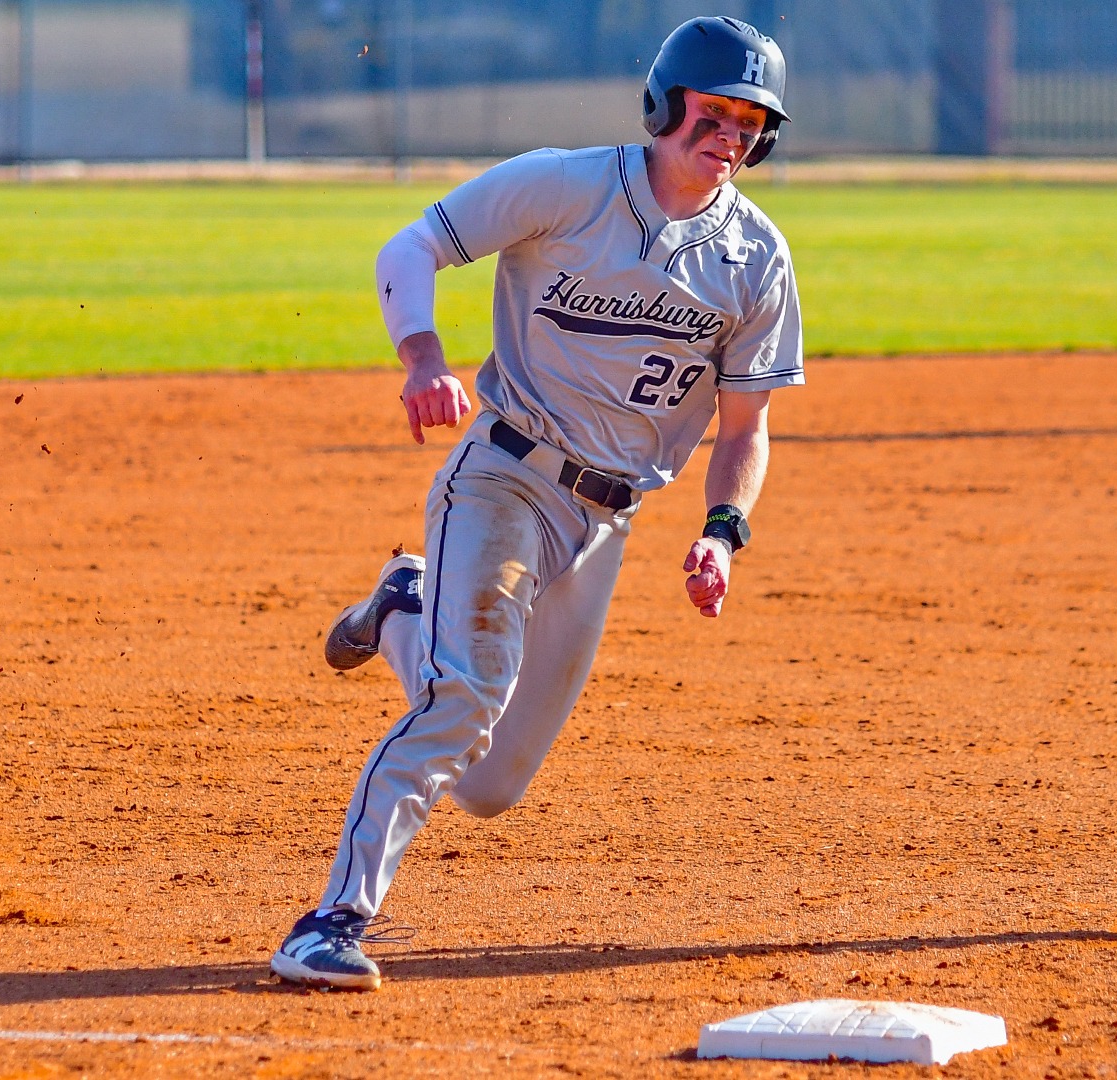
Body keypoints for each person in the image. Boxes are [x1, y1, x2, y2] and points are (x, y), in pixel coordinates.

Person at [270, 16, 804, 989]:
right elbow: (411, 248)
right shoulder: (565, 185)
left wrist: (725, 535)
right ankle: (331, 919)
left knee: (491, 785)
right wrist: (422, 359)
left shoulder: (756, 259)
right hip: (506, 476)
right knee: (463, 699)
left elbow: (743, 430)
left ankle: (400, 608)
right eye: (712, 112)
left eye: (749, 122)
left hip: (607, 520)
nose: (728, 134)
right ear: (665, 104)